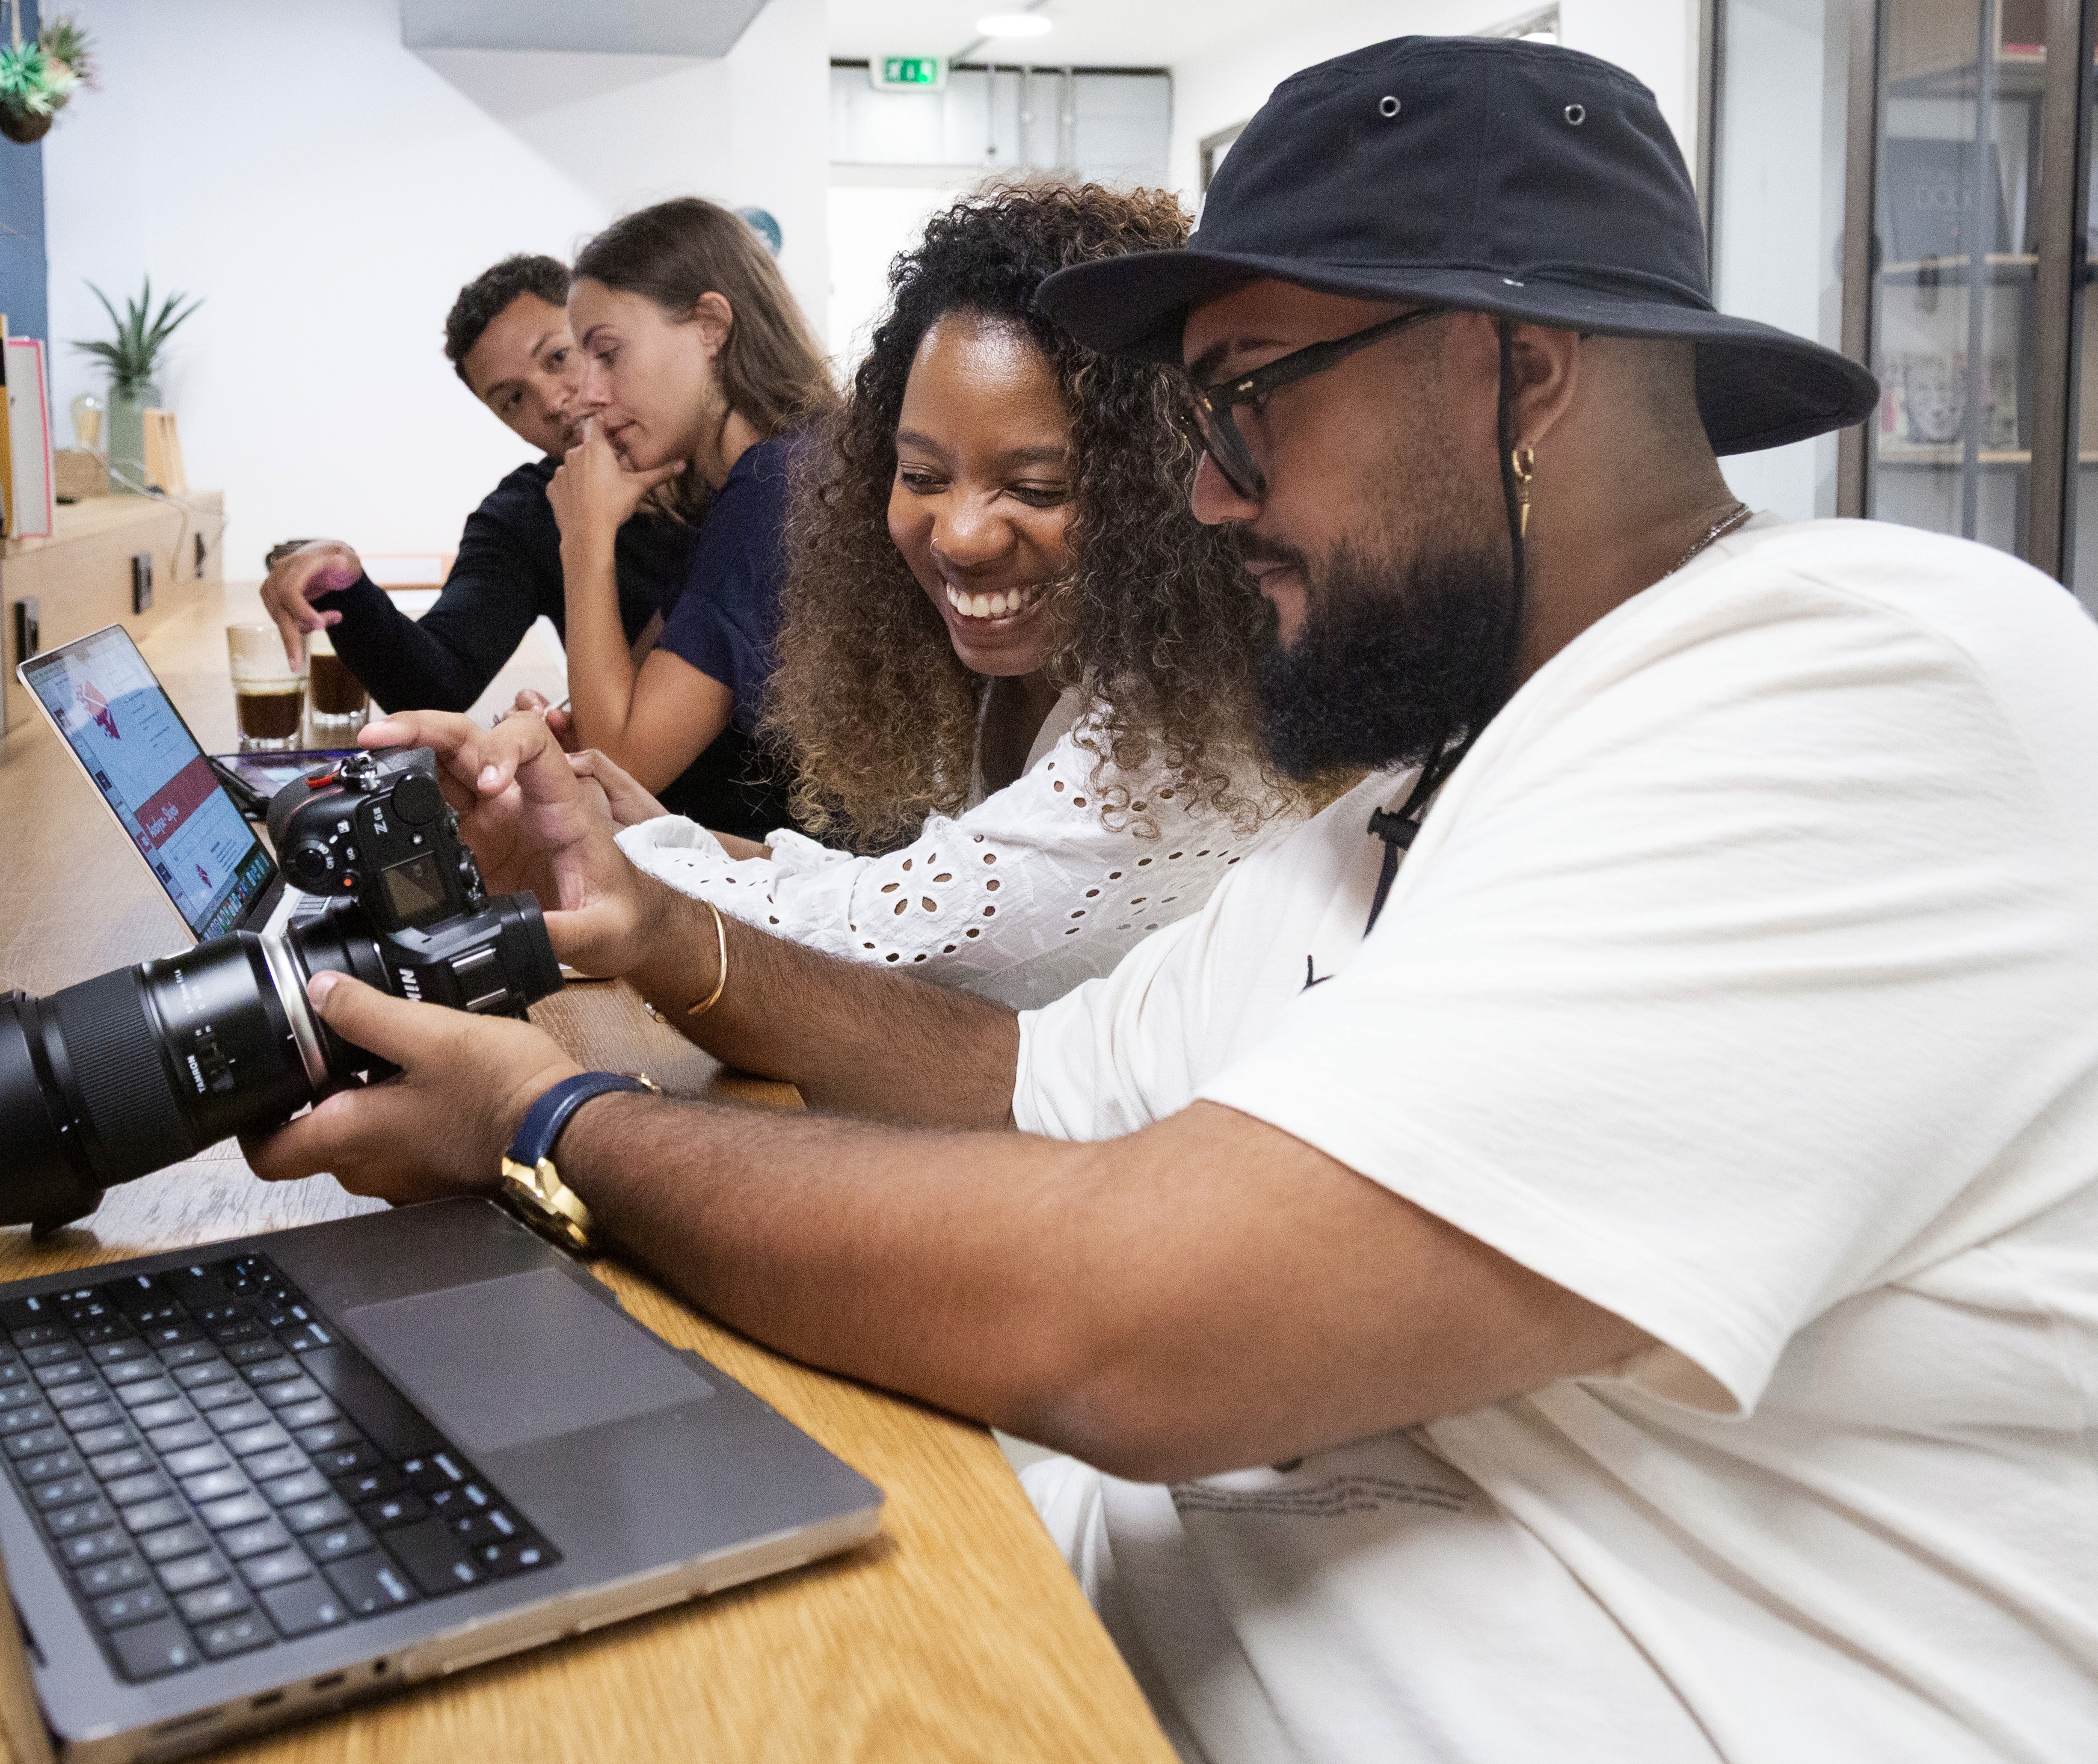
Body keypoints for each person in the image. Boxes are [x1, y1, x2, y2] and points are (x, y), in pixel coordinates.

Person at [246, 39, 2098, 1764]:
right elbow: (1032, 1078)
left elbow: (1132, 1319)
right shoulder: (1428, 777)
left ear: (1513, 373)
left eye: (1243, 409)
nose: (1201, 502)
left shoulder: (1872, 682)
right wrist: (677, 940)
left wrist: (547, 1121)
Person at [596, 183, 1299, 1008]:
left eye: (1037, 488)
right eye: (923, 476)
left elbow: (893, 934)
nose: (959, 536)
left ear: (1172, 495)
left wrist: (616, 855)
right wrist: (643, 832)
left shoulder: (1176, 740)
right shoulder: (1022, 671)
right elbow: (917, 885)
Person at [252, 257, 772, 835]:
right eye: (511, 401)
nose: (552, 400)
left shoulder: (744, 474)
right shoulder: (527, 514)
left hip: (803, 858)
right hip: (662, 840)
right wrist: (348, 586)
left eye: (559, 357)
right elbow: (434, 683)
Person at [534, 197, 834, 832]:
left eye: (607, 353)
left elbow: (622, 763)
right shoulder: (749, 486)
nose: (586, 394)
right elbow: (616, 711)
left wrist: (584, 539)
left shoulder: (773, 492)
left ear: (710, 325)